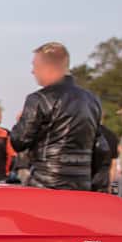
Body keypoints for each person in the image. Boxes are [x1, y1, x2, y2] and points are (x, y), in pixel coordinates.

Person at [8, 41, 103, 190]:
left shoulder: (39, 99)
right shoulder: (92, 100)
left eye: (35, 66)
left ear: (47, 68)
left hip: (46, 182)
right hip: (82, 184)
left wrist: (20, 123)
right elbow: (101, 149)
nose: (33, 71)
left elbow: (19, 141)